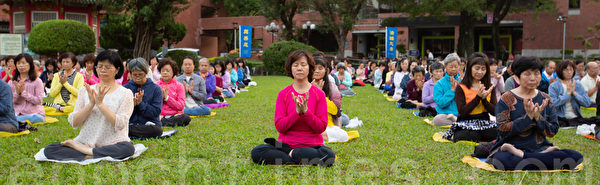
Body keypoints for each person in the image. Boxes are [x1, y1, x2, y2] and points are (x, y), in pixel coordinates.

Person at [487, 56, 583, 171]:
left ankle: (526, 157)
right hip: (511, 148)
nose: (533, 78)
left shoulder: (545, 98)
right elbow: (502, 130)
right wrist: (527, 118)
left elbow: (552, 131)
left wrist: (538, 118)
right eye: (527, 74)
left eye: (537, 74)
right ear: (517, 78)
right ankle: (537, 159)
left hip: (539, 147)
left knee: (575, 157)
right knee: (502, 161)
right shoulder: (506, 98)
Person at [42, 50, 136, 161]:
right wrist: (91, 104)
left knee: (128, 148)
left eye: (108, 67)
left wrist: (100, 105)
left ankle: (87, 153)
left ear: (117, 69)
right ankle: (93, 153)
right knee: (49, 149)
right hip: (85, 142)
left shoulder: (126, 93)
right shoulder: (85, 91)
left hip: (113, 143)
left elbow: (120, 124)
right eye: (99, 66)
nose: (103, 70)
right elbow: (74, 122)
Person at [251, 50, 335, 166]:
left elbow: (321, 127)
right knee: (257, 152)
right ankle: (297, 156)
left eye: (303, 65)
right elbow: (280, 127)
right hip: (286, 144)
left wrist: (306, 112)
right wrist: (296, 113)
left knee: (328, 155)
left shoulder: (319, 94)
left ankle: (290, 155)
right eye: (295, 65)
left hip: (312, 145)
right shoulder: (283, 94)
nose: (299, 68)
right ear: (290, 68)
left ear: (310, 67)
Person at [442, 53, 497, 143]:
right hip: (466, 122)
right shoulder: (461, 87)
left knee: (496, 133)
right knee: (466, 135)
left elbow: (494, 112)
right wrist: (478, 97)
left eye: (483, 69)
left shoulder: (490, 87)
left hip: (484, 122)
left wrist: (484, 100)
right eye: (477, 68)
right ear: (470, 68)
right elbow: (462, 112)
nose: (480, 72)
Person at [549, 60, 598, 127]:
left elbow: (587, 103)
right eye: (566, 70)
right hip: (560, 118)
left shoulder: (577, 84)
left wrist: (575, 94)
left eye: (571, 70)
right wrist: (568, 95)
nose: (569, 72)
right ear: (560, 71)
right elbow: (553, 104)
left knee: (596, 120)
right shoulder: (554, 86)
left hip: (576, 117)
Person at [124, 58, 163, 138]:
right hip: (130, 123)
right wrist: (132, 105)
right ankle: (127, 131)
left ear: (146, 73)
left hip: (149, 124)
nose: (138, 77)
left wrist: (141, 104)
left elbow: (155, 112)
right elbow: (121, 113)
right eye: (135, 75)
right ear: (130, 74)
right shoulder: (125, 88)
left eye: (140, 74)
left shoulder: (156, 89)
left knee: (157, 130)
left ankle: (127, 132)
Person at [9, 53, 45, 124]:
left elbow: (38, 101)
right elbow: (10, 101)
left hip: (33, 113)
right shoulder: (12, 82)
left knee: (38, 118)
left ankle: (16, 120)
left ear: (30, 65)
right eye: (18, 63)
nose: (21, 65)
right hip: (16, 112)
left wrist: (23, 93)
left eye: (23, 63)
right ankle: (17, 120)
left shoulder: (37, 81)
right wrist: (18, 93)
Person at [157, 58, 191, 127]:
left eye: (168, 71)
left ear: (173, 72)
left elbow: (181, 106)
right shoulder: (156, 85)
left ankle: (162, 122)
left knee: (186, 118)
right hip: (160, 115)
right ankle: (162, 121)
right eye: (163, 70)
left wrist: (167, 98)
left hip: (174, 115)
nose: (165, 72)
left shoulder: (179, 86)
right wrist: (161, 98)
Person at [432, 53, 460, 126]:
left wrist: (461, 89)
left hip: (461, 114)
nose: (453, 69)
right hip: (445, 115)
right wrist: (452, 90)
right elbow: (441, 103)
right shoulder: (439, 84)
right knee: (437, 120)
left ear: (459, 67)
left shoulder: (463, 81)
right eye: (451, 66)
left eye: (456, 66)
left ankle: (457, 120)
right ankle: (458, 122)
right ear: (445, 66)